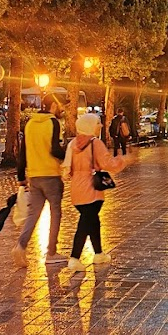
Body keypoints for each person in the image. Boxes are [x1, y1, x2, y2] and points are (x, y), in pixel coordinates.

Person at [62, 112, 126, 277]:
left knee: (92, 221)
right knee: (84, 224)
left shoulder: (73, 144)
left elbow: (66, 169)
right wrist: (122, 160)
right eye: (97, 123)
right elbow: (107, 163)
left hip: (77, 190)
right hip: (91, 190)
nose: (100, 126)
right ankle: (75, 257)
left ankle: (98, 253)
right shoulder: (95, 143)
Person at [13, 94, 66, 266]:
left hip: (34, 176)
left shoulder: (30, 124)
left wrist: (21, 176)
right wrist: (69, 154)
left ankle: (20, 246)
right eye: (59, 105)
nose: (61, 108)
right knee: (55, 213)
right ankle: (51, 253)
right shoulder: (53, 122)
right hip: (51, 174)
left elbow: (23, 152)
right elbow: (55, 150)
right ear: (52, 105)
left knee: (33, 214)